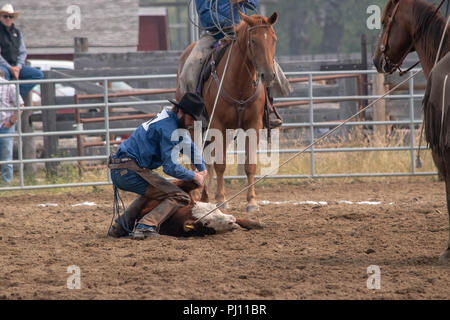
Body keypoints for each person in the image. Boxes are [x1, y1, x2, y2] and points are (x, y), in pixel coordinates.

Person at [107, 92, 208, 240]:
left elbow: (189, 146)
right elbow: (170, 168)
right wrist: (194, 175)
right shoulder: (169, 129)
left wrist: (202, 169)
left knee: (155, 191)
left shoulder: (169, 120)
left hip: (123, 169)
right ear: (181, 112)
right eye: (191, 118)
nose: (192, 122)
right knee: (180, 196)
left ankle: (120, 226)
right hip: (130, 170)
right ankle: (146, 226)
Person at [179, 0, 292, 128]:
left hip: (242, 32)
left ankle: (267, 110)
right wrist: (228, 23)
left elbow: (253, 3)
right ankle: (195, 113)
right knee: (190, 69)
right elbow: (204, 13)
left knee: (268, 63)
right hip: (214, 34)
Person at [0, 4, 43, 99]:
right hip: (3, 66)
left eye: (10, 16)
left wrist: (18, 66)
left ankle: (16, 97)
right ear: (0, 17)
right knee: (4, 75)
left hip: (16, 66)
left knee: (37, 74)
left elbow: (22, 52)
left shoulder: (17, 33)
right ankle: (4, 100)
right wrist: (10, 67)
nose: (8, 19)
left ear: (13, 18)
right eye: (5, 16)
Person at [0, 68, 23, 186]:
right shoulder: (10, 86)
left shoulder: (9, 86)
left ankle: (6, 182)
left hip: (4, 124)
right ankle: (5, 182)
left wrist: (11, 122)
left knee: (6, 155)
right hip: (5, 124)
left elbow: (20, 105)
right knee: (6, 154)